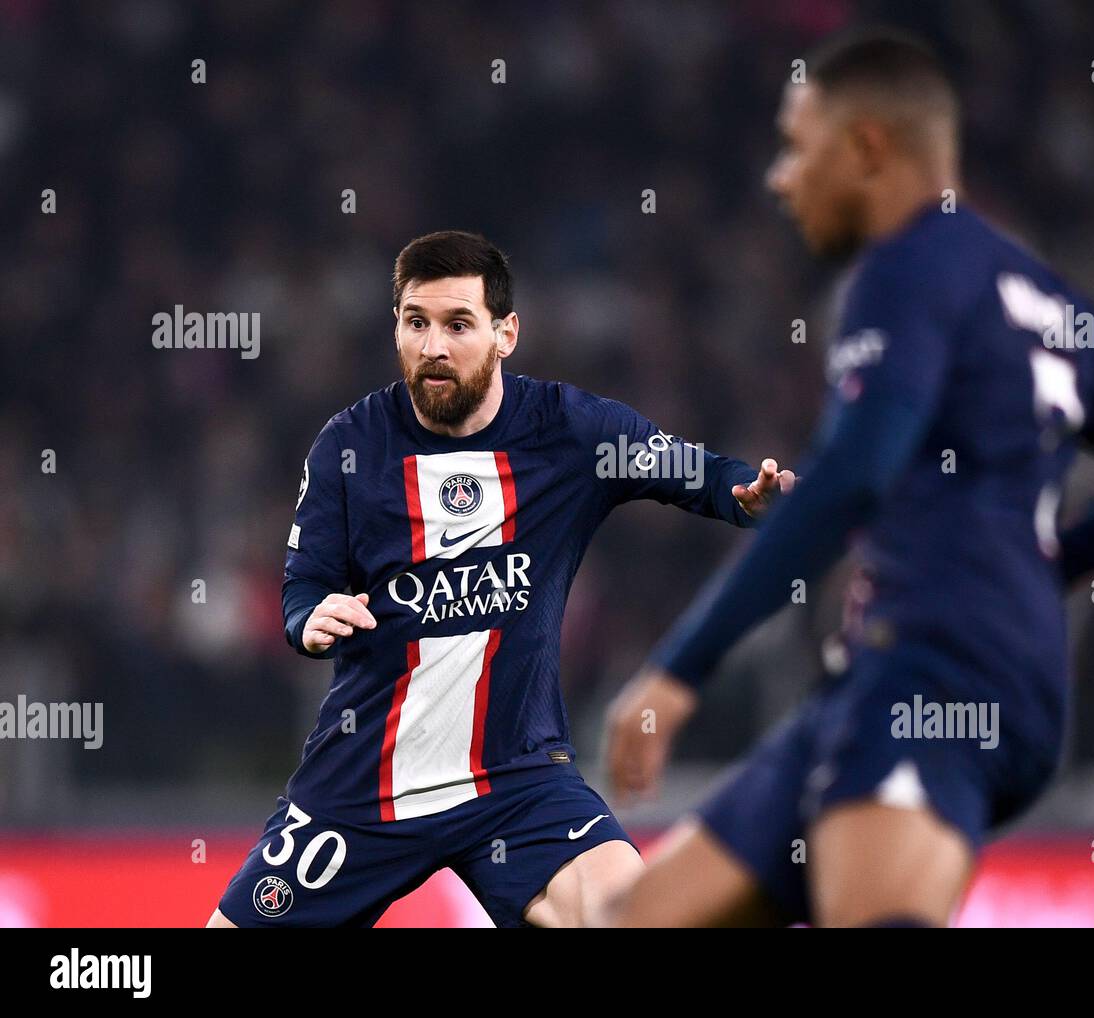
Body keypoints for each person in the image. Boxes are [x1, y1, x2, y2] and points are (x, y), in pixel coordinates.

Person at [602, 31, 1094, 927]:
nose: (782, 177)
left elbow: (855, 473)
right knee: (636, 919)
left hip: (940, 675)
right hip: (910, 671)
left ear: (866, 148)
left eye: (797, 145)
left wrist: (681, 667)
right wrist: (1042, 564)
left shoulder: (904, 267)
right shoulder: (1047, 297)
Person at [207, 230, 793, 927]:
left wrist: (743, 495)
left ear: (505, 333)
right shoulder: (350, 444)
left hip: (516, 780)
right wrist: (310, 621)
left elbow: (691, 472)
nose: (433, 346)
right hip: (364, 786)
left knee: (634, 915)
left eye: (458, 325)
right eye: (415, 322)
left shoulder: (570, 431)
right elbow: (304, 587)